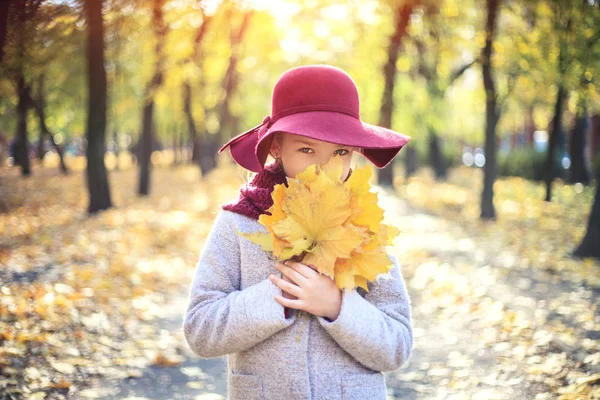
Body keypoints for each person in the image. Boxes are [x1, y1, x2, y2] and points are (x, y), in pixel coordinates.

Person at [183, 64, 413, 400]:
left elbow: (397, 347)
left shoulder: (365, 224)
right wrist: (277, 299)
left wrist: (337, 305)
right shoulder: (239, 224)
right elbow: (200, 331)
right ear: (276, 146)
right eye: (306, 149)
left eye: (341, 152)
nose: (324, 167)